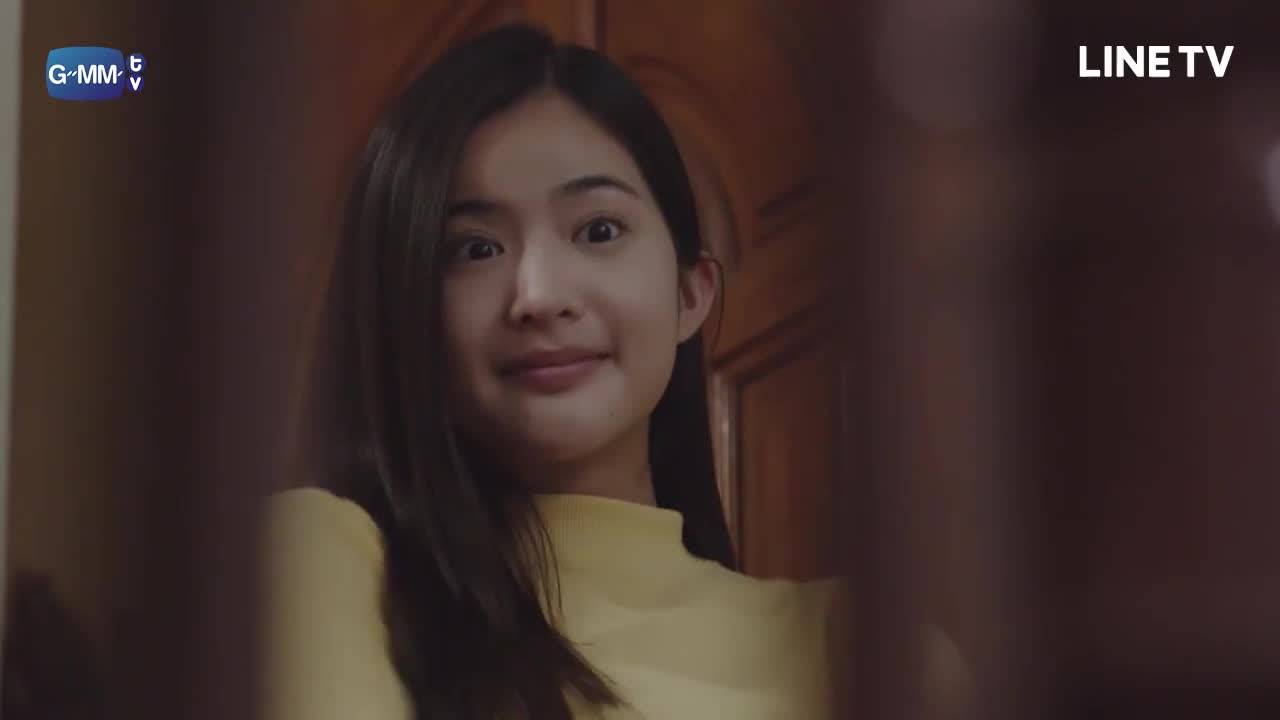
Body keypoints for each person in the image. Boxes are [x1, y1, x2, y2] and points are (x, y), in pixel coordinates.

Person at [263, 22, 954, 720]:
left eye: (598, 230)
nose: (540, 296)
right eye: (474, 248)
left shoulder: (859, 650)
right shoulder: (323, 563)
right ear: (409, 309)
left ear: (691, 294)